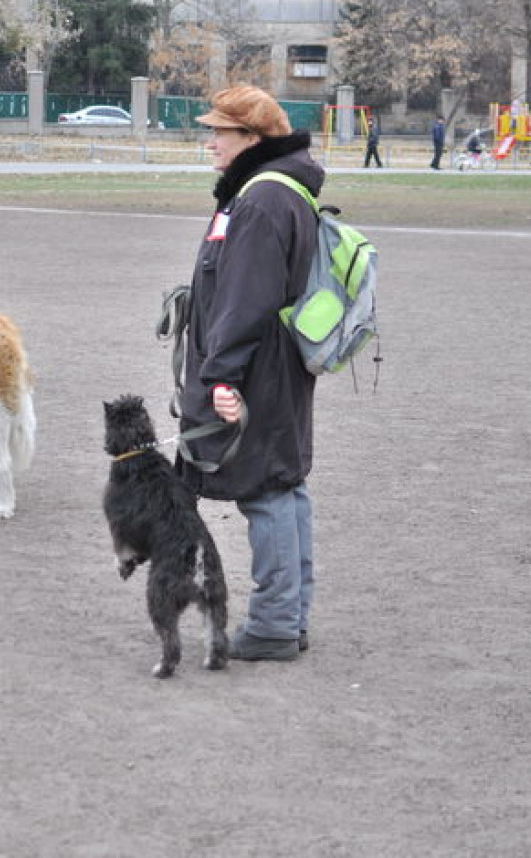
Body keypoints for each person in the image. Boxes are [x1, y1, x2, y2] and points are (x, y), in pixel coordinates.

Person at [179, 84, 321, 662]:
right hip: (275, 366)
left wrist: (221, 379)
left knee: (266, 490)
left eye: (221, 131)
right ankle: (289, 617)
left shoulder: (261, 200)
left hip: (257, 370)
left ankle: (273, 626)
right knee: (285, 486)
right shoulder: (277, 190)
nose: (210, 139)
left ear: (253, 139)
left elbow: (245, 300)